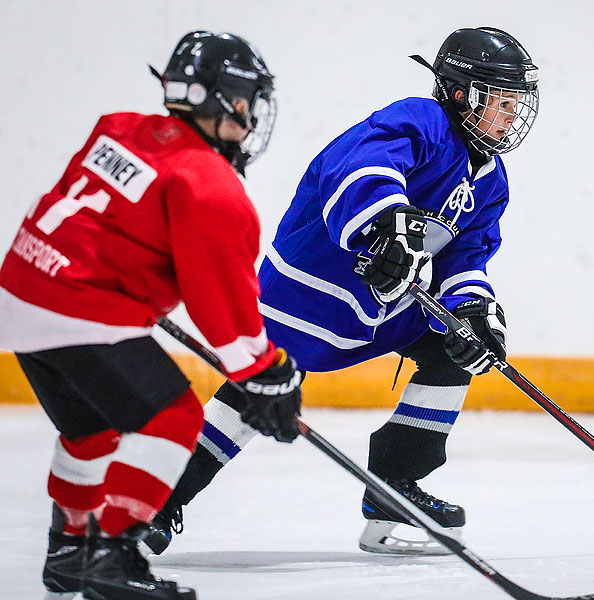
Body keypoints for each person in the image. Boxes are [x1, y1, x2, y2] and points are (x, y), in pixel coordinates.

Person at [146, 26, 540, 556]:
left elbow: (464, 261)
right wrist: (383, 224)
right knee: (254, 395)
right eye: (502, 99)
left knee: (455, 349)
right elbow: (356, 167)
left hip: (377, 305)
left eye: (518, 101)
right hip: (306, 295)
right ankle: (160, 503)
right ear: (461, 93)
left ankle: (392, 493)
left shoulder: (491, 180)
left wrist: (472, 311)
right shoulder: (421, 120)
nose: (512, 114)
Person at [0, 31, 304, 600]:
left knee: (91, 429)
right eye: (247, 104)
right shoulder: (211, 186)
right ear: (228, 102)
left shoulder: (118, 128)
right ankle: (113, 560)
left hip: (21, 290)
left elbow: (103, 225)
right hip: (77, 308)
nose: (250, 120)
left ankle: (70, 552)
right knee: (173, 418)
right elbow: (225, 313)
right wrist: (266, 374)